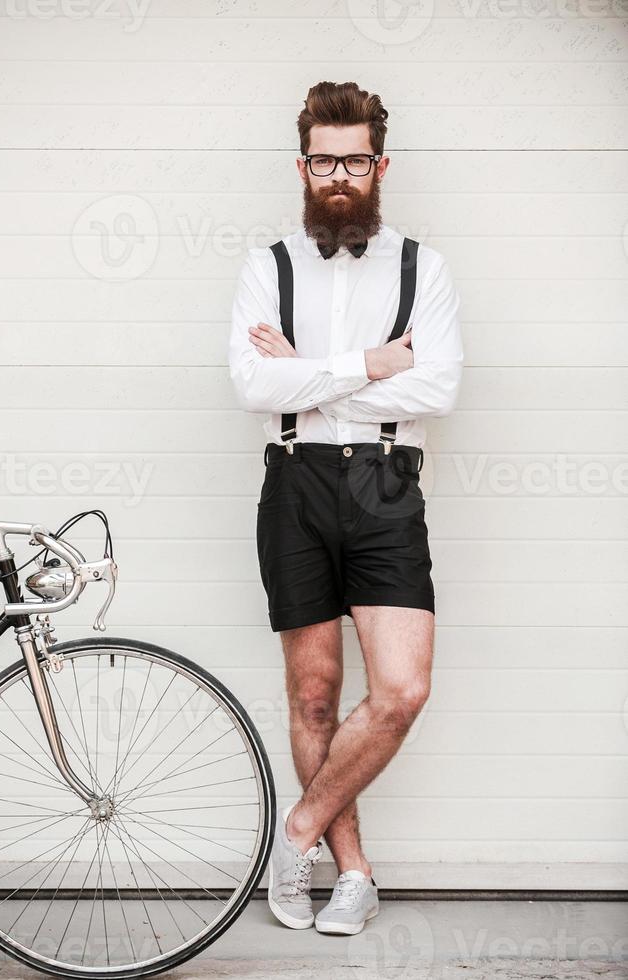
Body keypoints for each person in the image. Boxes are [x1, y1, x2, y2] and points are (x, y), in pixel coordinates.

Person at [228, 80, 464, 936]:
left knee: (399, 689)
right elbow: (254, 385)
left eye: (353, 161)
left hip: (385, 484)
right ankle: (353, 870)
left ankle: (298, 831)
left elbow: (437, 389)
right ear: (302, 166)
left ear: (379, 166)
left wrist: (314, 375)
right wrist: (370, 365)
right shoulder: (269, 266)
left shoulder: (421, 268)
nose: (338, 175)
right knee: (317, 694)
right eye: (323, 160)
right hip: (294, 480)